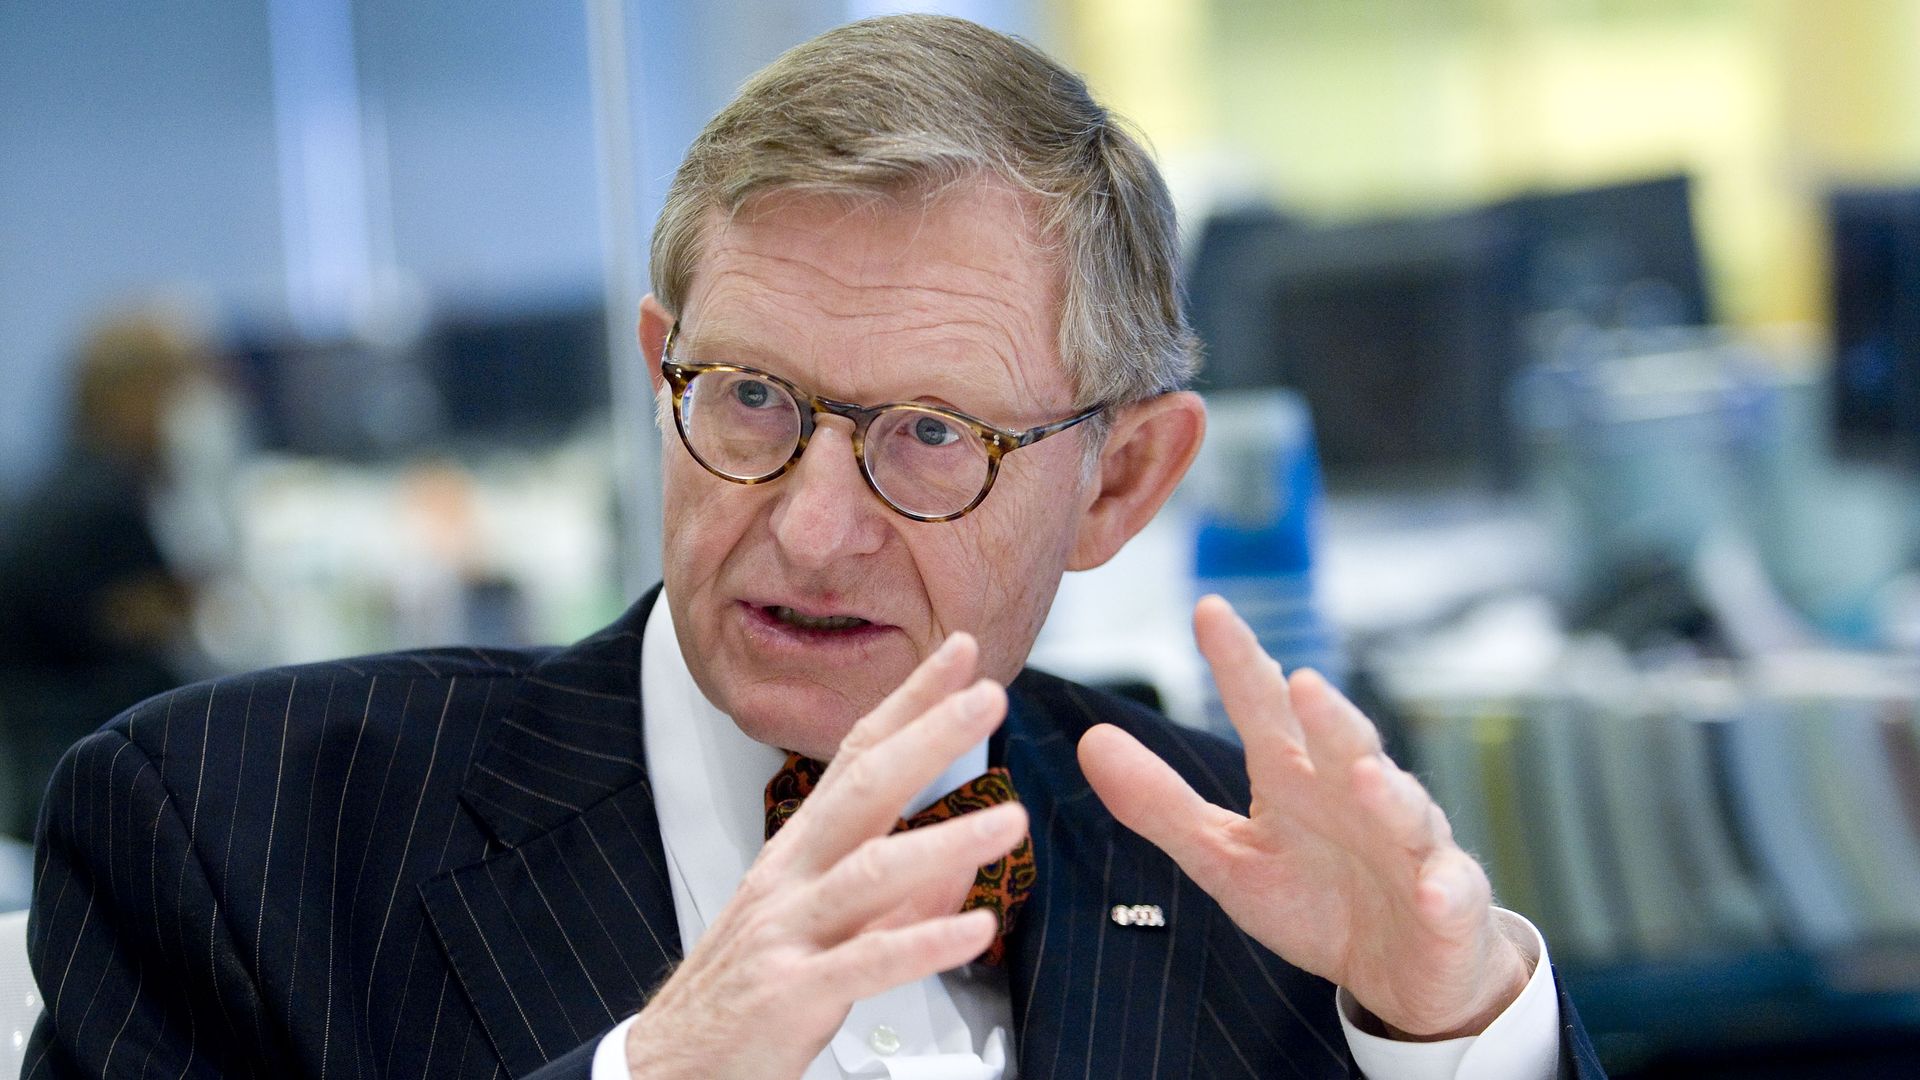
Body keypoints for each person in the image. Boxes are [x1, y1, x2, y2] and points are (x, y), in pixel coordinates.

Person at [24, 15, 1603, 1079]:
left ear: (1120, 482)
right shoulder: (240, 834)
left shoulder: (1260, 876)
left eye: (933, 434)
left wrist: (1455, 1035)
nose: (812, 525)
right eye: (751, 398)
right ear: (662, 367)